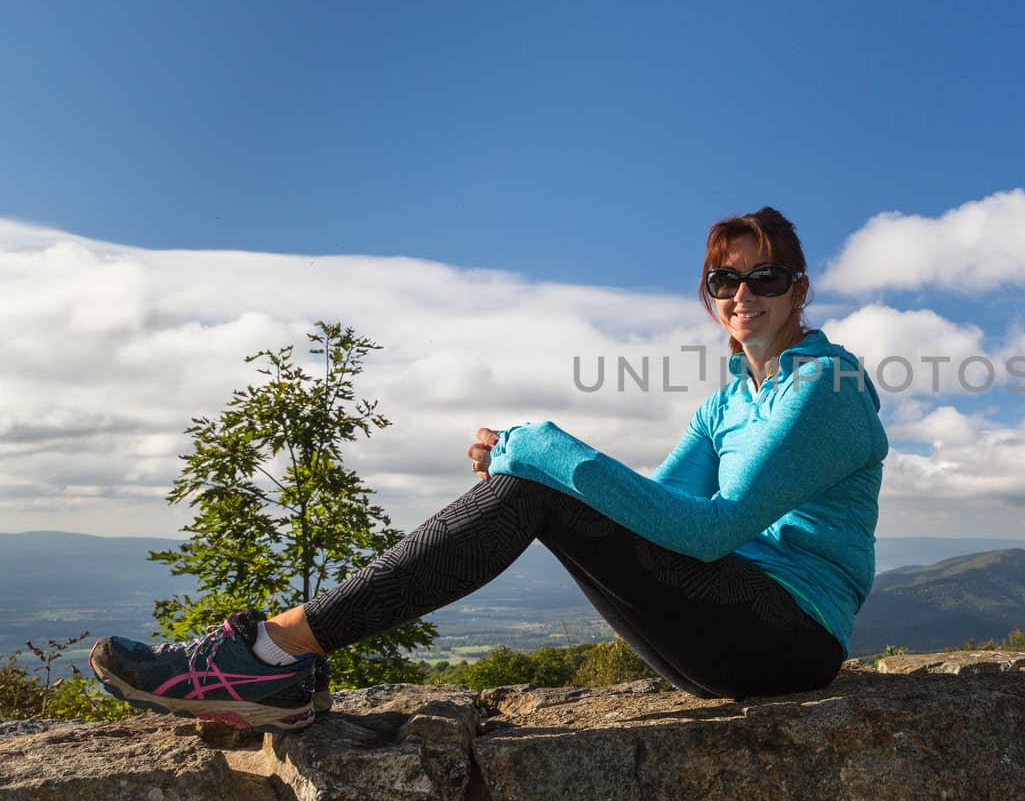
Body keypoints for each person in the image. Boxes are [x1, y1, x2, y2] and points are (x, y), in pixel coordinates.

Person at [91, 206, 889, 730]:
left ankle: (273, 652)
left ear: (799, 292)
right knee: (533, 487)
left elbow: (708, 532)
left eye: (765, 277)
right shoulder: (729, 400)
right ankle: (277, 661)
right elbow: (656, 511)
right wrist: (540, 468)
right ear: (710, 296)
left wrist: (542, 446)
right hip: (721, 628)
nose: (742, 291)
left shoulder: (828, 384)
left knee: (536, 482)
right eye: (725, 278)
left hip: (788, 636)